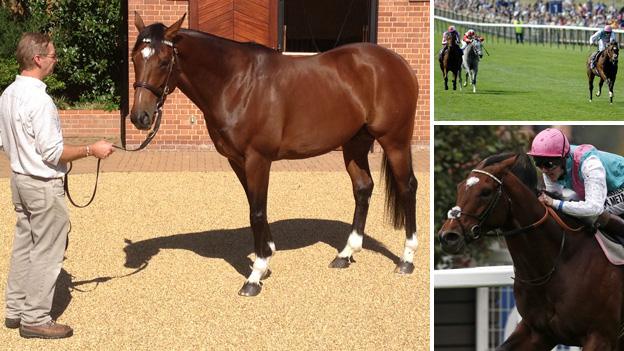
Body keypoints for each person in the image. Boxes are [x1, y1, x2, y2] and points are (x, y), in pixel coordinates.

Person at [0, 32, 115, 339]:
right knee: (48, 250)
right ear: (37, 59)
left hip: (20, 181)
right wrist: (92, 149)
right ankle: (35, 318)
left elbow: (5, 143)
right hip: (41, 184)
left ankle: (15, 310)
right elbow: (52, 152)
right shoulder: (40, 100)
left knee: (25, 245)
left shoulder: (8, 94)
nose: (56, 61)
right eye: (52, 56)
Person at [527, 128, 624, 239]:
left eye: (548, 164)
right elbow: (552, 199)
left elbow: (594, 208)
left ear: (563, 159)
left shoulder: (590, 164)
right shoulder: (551, 167)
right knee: (571, 206)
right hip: (607, 192)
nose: (544, 170)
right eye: (538, 164)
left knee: (592, 214)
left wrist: (555, 203)